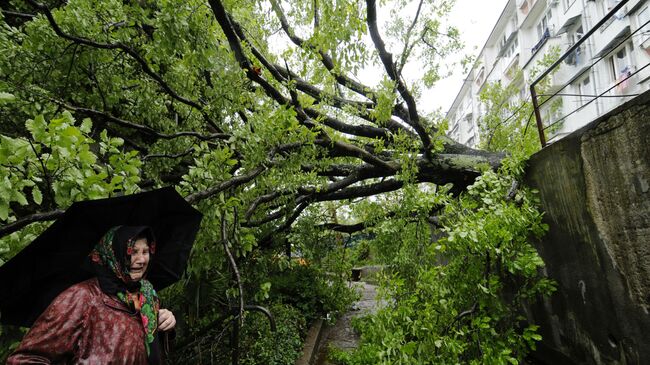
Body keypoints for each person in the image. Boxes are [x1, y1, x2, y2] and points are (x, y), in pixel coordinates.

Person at [7, 225, 176, 364]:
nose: (141, 260)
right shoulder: (82, 298)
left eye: (145, 252)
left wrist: (165, 325)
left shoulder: (147, 296)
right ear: (113, 254)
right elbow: (25, 359)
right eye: (133, 252)